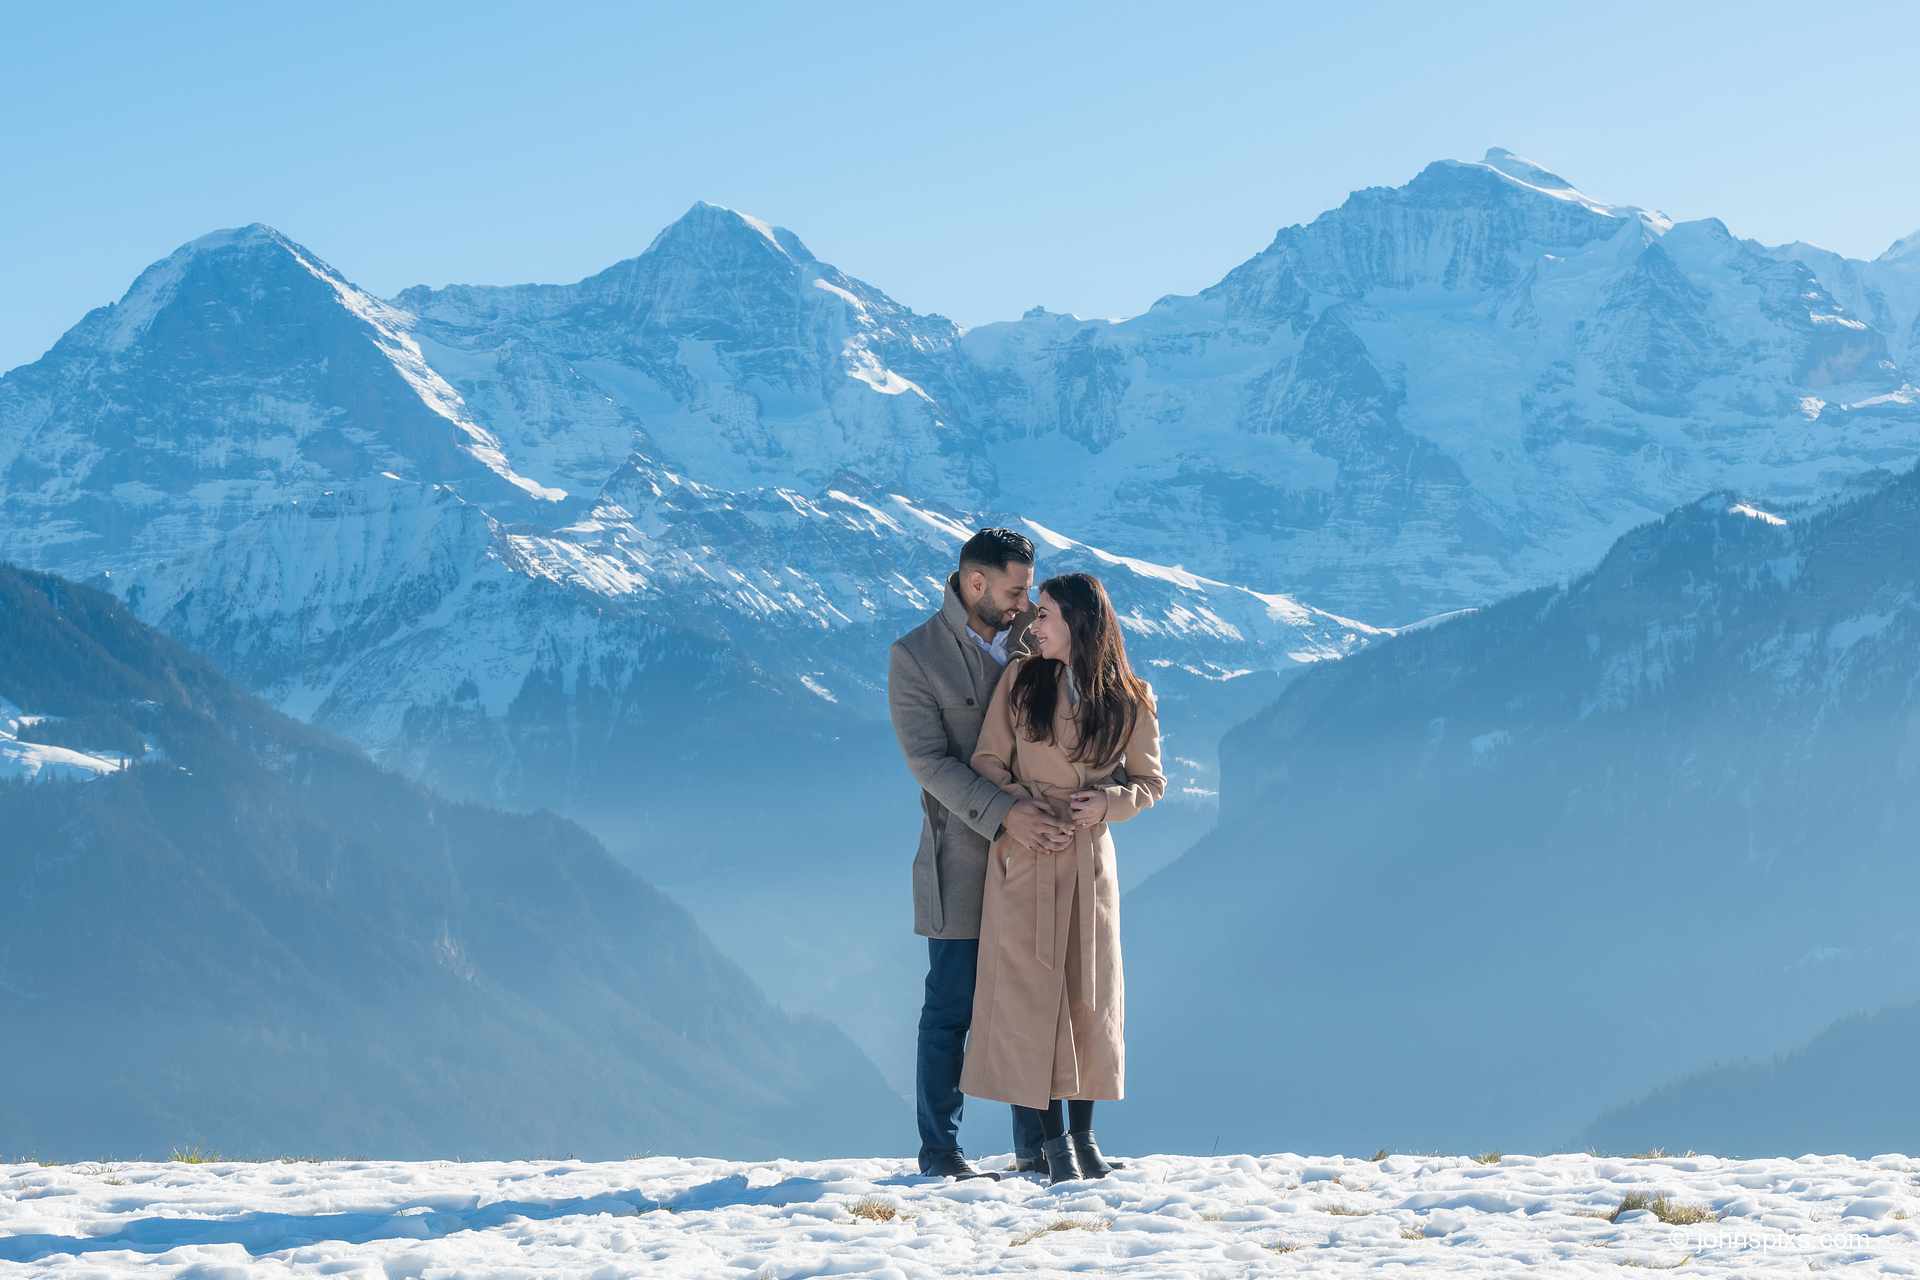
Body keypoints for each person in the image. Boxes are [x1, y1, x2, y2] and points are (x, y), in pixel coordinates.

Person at [959, 571, 1166, 1185]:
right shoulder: (1022, 680)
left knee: (1088, 995)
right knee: (1030, 996)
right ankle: (1050, 1144)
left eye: (1045, 613)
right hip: (1028, 856)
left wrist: (1110, 804)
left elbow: (1149, 781)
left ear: (1079, 621)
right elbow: (987, 760)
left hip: (1089, 862)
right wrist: (1021, 808)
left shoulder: (1131, 696)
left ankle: (1084, 1135)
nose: (1035, 624)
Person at [886, 528, 1078, 1179]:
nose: (1027, 602)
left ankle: (1040, 1148)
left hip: (1038, 861)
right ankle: (940, 1153)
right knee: (952, 1008)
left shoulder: (1042, 641)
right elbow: (928, 761)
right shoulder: (914, 657)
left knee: (1035, 1001)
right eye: (1016, 590)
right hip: (960, 864)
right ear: (975, 584)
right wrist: (1005, 815)